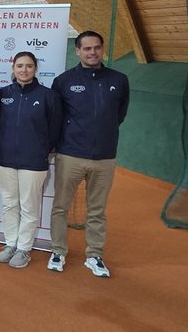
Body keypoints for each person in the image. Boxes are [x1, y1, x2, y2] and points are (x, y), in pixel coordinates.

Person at [48, 31, 129, 278]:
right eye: (87, 48)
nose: (92, 52)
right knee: (60, 207)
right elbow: (56, 117)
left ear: (102, 49)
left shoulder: (119, 80)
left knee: (97, 210)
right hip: (70, 155)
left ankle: (94, 255)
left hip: (104, 158)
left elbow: (119, 115)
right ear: (77, 51)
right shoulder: (63, 81)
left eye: (97, 48)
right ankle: (58, 251)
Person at [0, 51, 61, 269]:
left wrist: (41, 150)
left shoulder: (48, 96)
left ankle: (24, 248)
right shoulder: (3, 94)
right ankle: (10, 244)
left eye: (29, 66)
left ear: (35, 69)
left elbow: (55, 130)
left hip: (34, 162)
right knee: (9, 204)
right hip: (4, 159)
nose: (24, 70)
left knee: (29, 207)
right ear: (13, 68)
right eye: (20, 66)